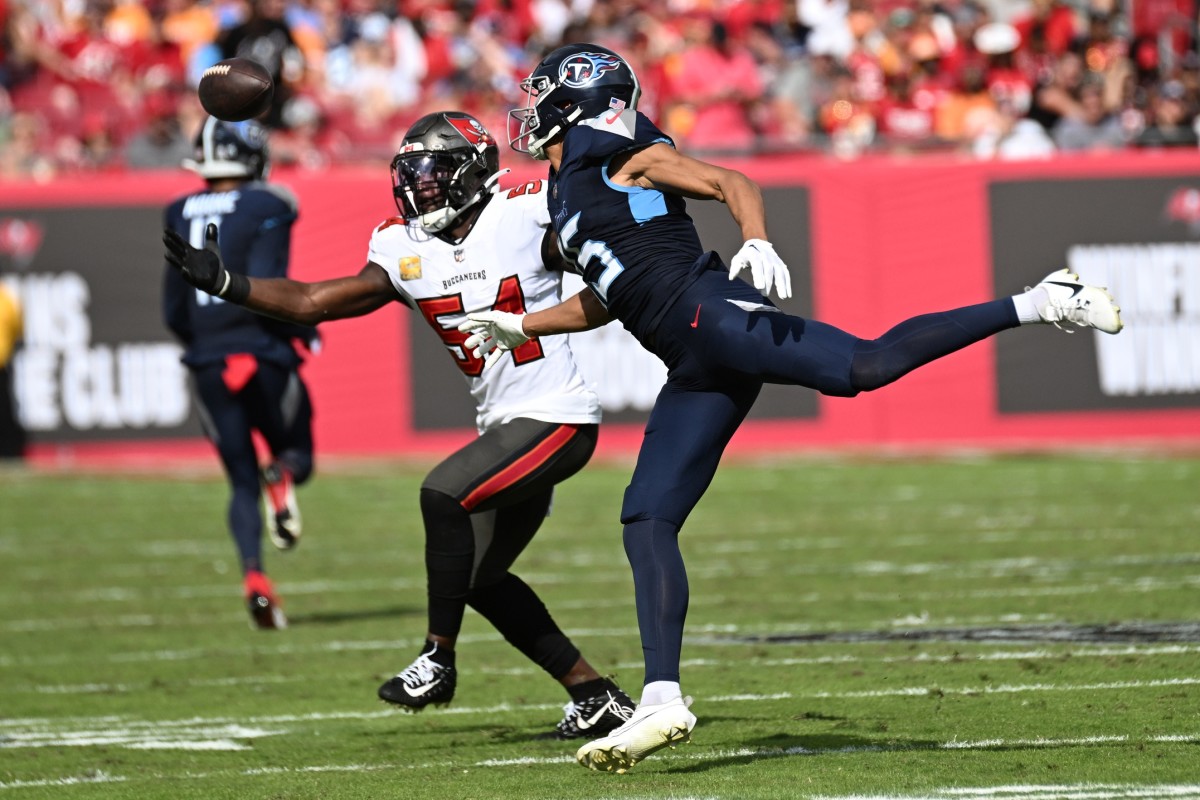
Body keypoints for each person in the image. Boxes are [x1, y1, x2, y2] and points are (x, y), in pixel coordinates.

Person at [458, 42, 1125, 773]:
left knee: (861, 366)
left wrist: (756, 237)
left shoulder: (618, 154)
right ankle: (662, 697)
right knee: (647, 518)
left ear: (577, 100)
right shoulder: (571, 188)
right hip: (690, 358)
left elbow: (728, 179)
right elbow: (607, 293)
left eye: (542, 92)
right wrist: (524, 325)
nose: (529, 107)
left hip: (712, 314)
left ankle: (1038, 301)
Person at [162, 111, 638, 740]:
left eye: (436, 172)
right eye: (412, 172)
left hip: (557, 417)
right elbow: (311, 301)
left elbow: (613, 271)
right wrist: (228, 283)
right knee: (476, 577)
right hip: (503, 424)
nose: (422, 185)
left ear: (472, 172)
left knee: (441, 492)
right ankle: (594, 695)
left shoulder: (521, 216)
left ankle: (437, 658)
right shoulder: (402, 246)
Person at [162, 116, 316, 630]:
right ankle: (285, 474)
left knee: (238, 483)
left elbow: (174, 310)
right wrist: (297, 333)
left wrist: (206, 348)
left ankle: (255, 578)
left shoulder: (178, 208)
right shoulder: (269, 203)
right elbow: (271, 284)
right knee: (298, 452)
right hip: (262, 351)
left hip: (209, 359)